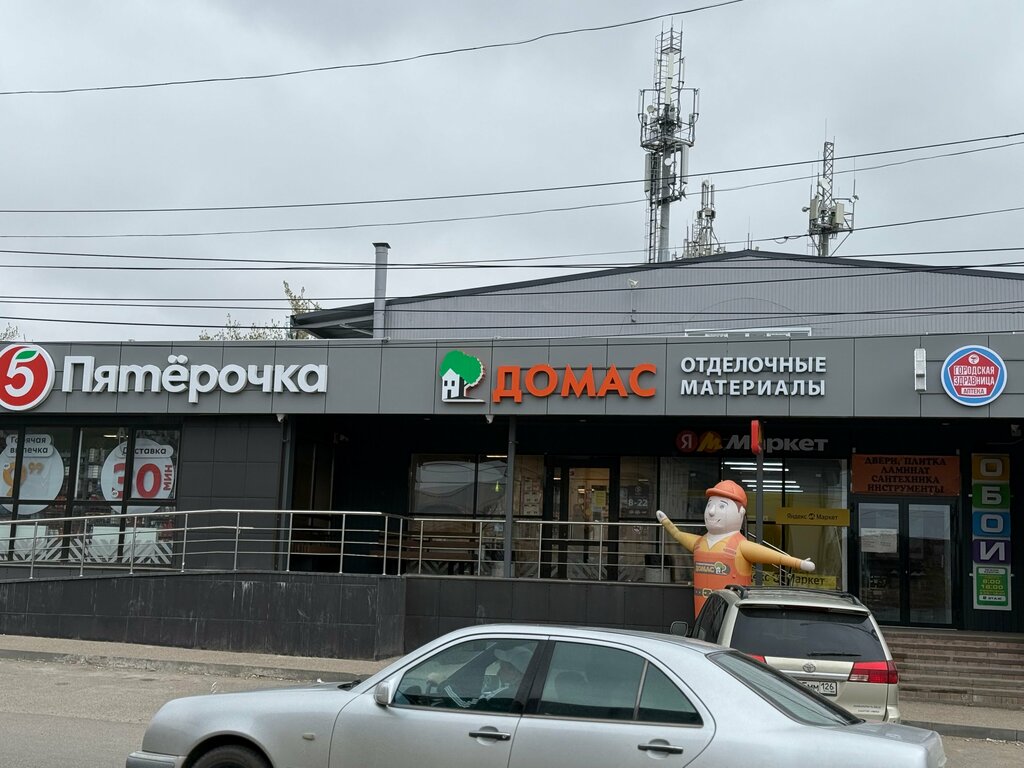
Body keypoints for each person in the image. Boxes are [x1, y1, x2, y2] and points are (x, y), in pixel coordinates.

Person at [657, 480, 815, 615]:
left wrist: (798, 563)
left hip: (731, 617)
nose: (711, 511)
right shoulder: (700, 543)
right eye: (710, 504)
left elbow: (775, 557)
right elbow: (678, 535)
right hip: (701, 615)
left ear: (741, 513)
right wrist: (667, 523)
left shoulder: (740, 546)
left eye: (721, 506)